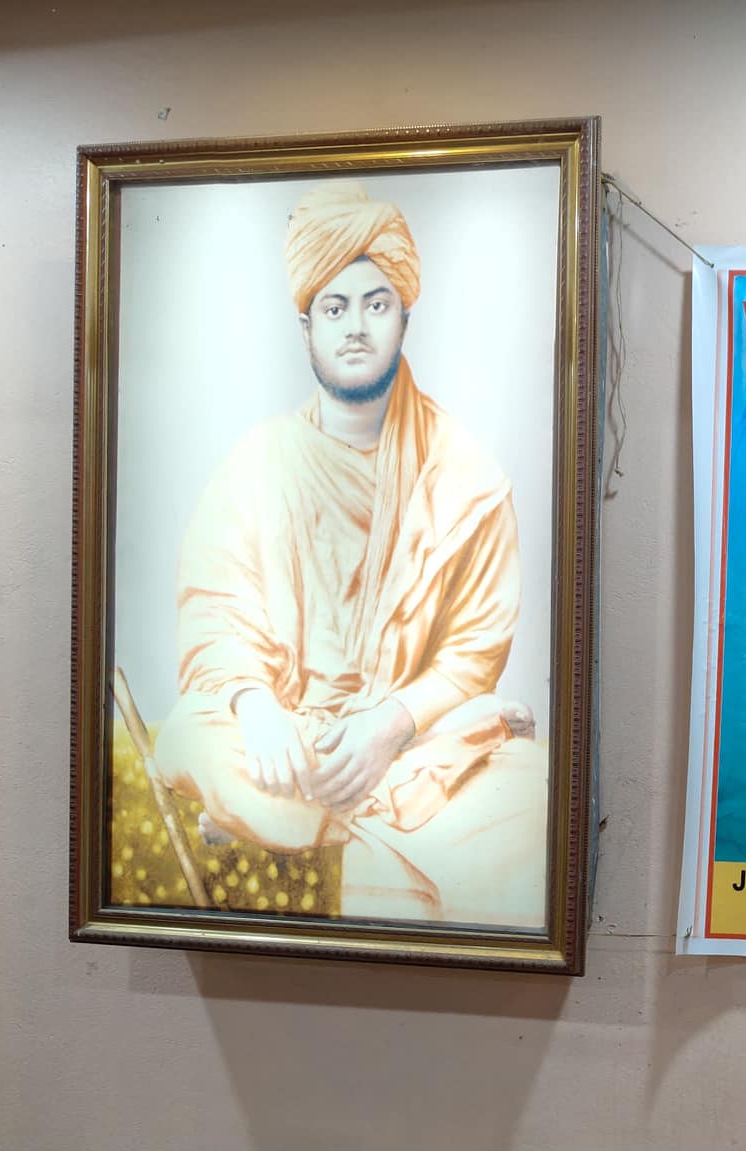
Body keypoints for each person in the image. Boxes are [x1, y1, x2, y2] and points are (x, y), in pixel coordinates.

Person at [152, 181, 548, 928]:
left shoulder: (467, 476)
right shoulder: (256, 463)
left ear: (405, 317)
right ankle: (350, 803)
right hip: (290, 740)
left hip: (406, 741)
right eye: (335, 308)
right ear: (306, 326)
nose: (357, 327)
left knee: (531, 789)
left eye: (376, 304)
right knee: (193, 733)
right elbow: (217, 618)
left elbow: (471, 654)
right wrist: (256, 706)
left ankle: (276, 815)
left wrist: (386, 726)